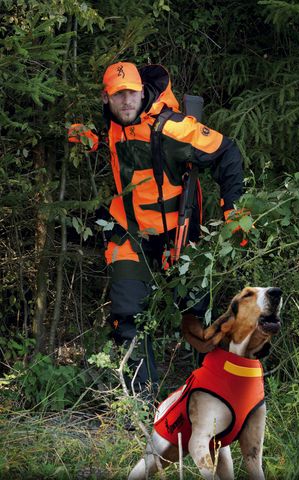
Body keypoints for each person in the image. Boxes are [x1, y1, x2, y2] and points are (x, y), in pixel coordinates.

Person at [68, 62, 244, 401]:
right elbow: (95, 136)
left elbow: (227, 152)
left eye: (132, 92)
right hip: (130, 233)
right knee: (126, 314)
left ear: (141, 91)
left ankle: (210, 397)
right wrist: (81, 137)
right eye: (118, 95)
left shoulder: (173, 129)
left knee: (198, 315)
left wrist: (233, 212)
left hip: (179, 231)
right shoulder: (109, 123)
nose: (127, 101)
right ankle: (142, 406)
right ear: (106, 99)